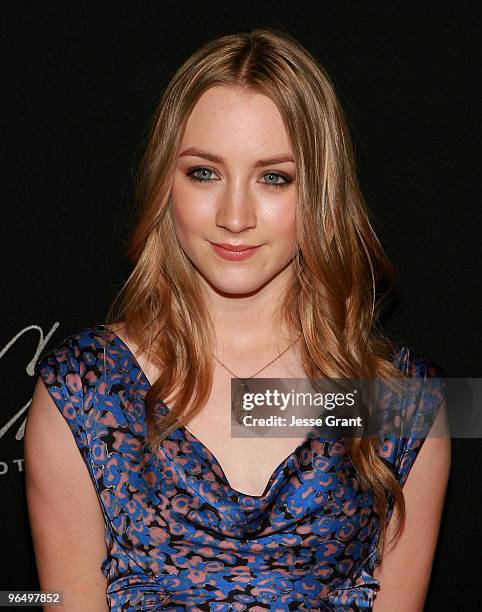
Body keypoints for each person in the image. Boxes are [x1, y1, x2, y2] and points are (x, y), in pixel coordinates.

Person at [24, 27, 451, 611]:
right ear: (164, 182)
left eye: (274, 178)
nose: (235, 215)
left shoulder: (399, 402)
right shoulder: (85, 391)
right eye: (204, 172)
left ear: (321, 193)